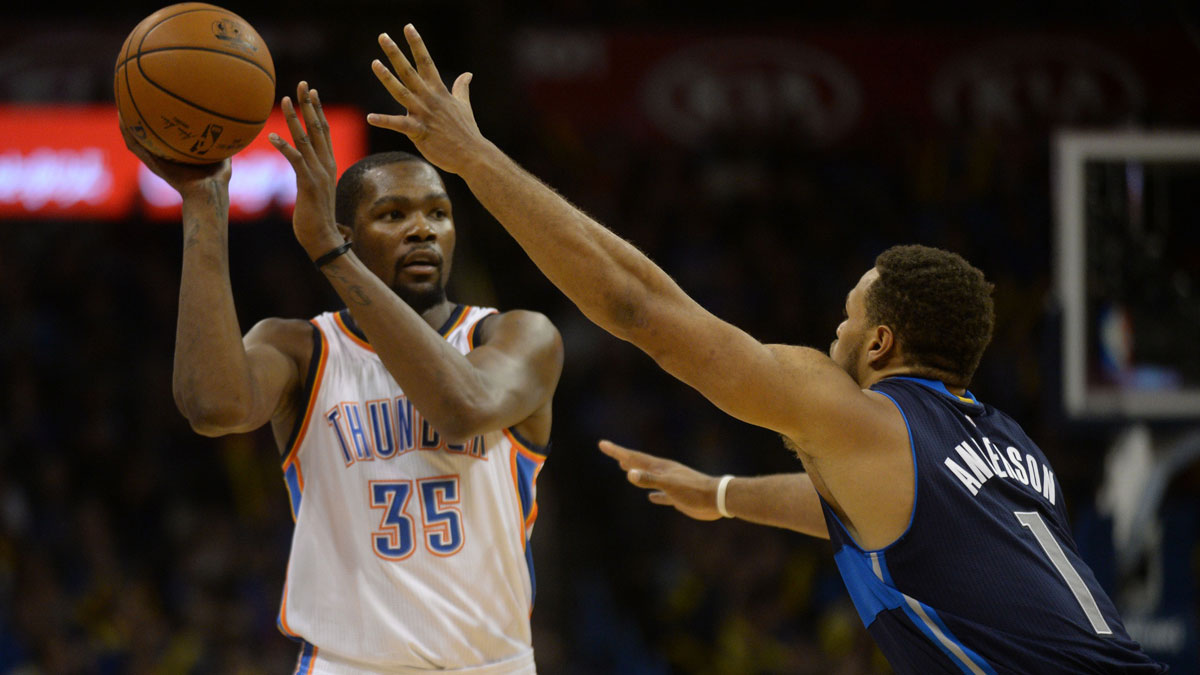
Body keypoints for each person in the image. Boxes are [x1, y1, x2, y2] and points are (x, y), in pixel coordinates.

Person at [363, 25, 1167, 674]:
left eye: (848, 318)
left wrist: (474, 160)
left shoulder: (862, 417)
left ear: (880, 339)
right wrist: (719, 493)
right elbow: (855, 505)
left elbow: (637, 304)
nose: (836, 331)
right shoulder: (1009, 448)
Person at [119, 81, 562, 674]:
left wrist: (329, 253)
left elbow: (463, 406)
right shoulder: (304, 348)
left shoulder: (515, 337)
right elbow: (212, 407)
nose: (423, 229)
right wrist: (204, 205)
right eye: (393, 214)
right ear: (350, 233)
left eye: (438, 213)